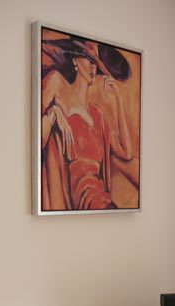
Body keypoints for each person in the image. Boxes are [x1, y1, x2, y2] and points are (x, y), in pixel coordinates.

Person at [40, 38, 135, 211]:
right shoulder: (56, 82)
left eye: (95, 64)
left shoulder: (96, 114)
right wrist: (54, 114)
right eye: (89, 60)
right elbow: (35, 140)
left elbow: (126, 152)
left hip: (96, 199)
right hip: (72, 196)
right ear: (75, 60)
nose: (92, 68)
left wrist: (119, 101)